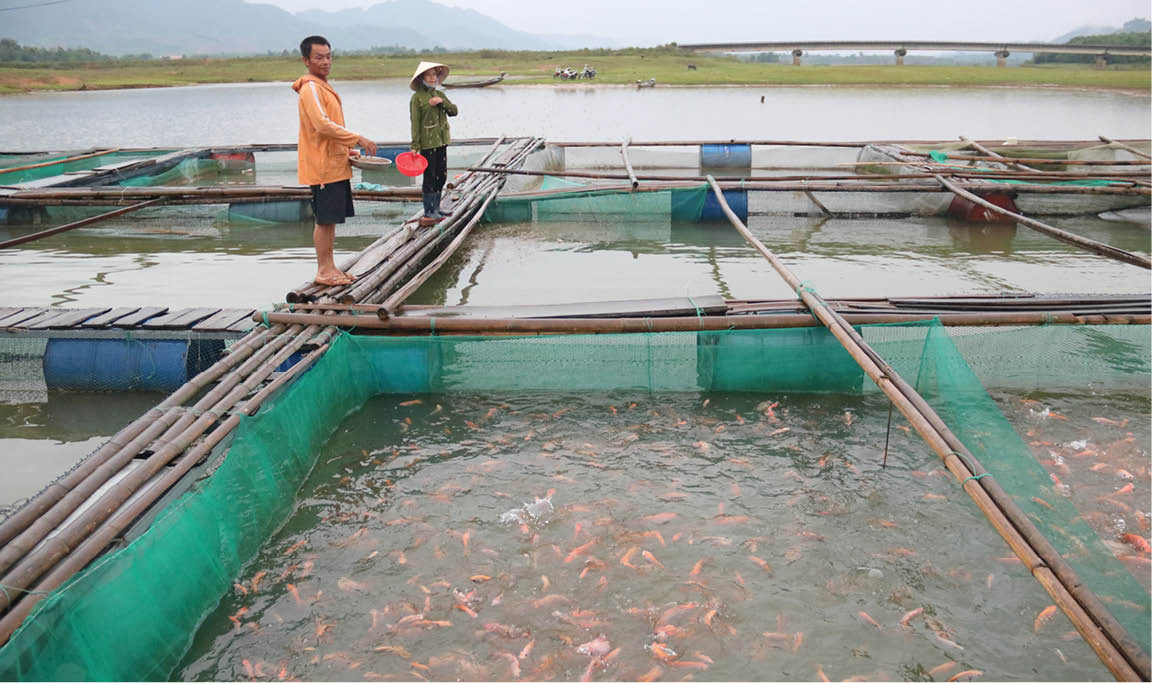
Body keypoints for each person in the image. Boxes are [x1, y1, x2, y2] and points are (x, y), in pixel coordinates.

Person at [293, 35, 377, 287]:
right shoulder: (310, 88)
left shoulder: (322, 86)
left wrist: (345, 151)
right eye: (319, 57)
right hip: (321, 167)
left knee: (330, 220)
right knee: (324, 220)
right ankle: (323, 270)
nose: (325, 61)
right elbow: (322, 125)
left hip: (333, 163)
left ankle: (331, 267)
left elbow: (330, 129)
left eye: (328, 56)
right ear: (306, 60)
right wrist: (357, 139)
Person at [408, 61, 458, 227]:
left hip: (441, 141)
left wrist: (441, 103)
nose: (432, 78)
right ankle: (429, 211)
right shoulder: (417, 99)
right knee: (429, 177)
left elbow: (454, 111)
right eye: (428, 75)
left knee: (441, 175)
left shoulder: (440, 95)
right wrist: (415, 145)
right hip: (427, 144)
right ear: (422, 78)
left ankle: (437, 207)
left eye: (434, 75)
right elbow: (415, 123)